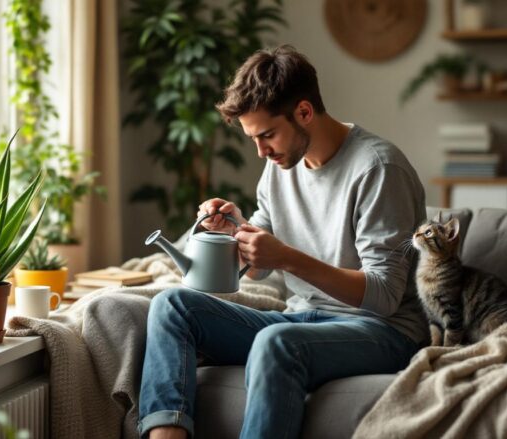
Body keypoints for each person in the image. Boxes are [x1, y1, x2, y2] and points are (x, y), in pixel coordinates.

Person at [137, 45, 428, 439]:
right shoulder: (280, 167)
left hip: (382, 332)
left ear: (304, 112)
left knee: (276, 342)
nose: (261, 152)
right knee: (171, 306)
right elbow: (257, 269)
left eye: (267, 135)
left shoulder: (378, 168)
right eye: (253, 139)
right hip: (301, 319)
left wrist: (287, 258)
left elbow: (384, 295)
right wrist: (235, 229)